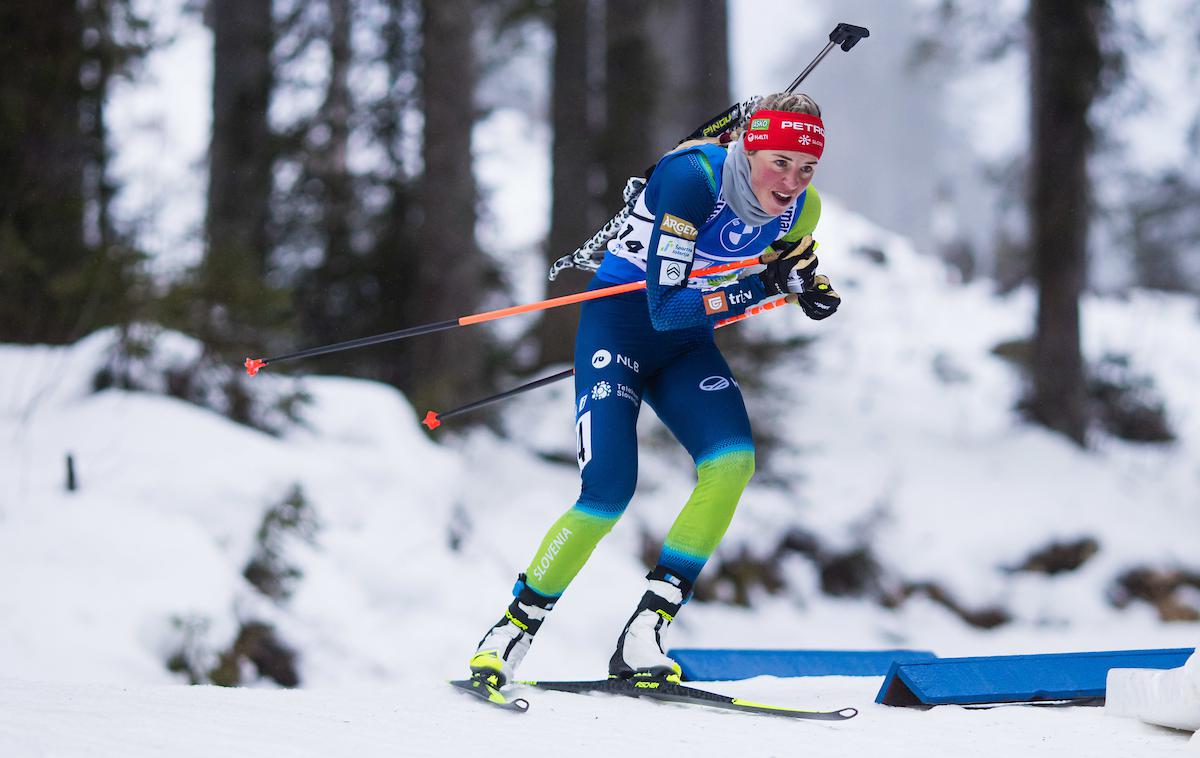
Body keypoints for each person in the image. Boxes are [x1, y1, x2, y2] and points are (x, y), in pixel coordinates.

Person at [468, 92, 842, 688]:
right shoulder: (691, 177)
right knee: (609, 491)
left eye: (806, 169)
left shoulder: (802, 210)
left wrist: (805, 285)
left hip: (686, 346)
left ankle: (647, 630)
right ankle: (512, 629)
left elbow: (788, 263)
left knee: (733, 463)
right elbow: (666, 307)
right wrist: (768, 286)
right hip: (620, 328)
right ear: (746, 147)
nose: (791, 182)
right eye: (779, 162)